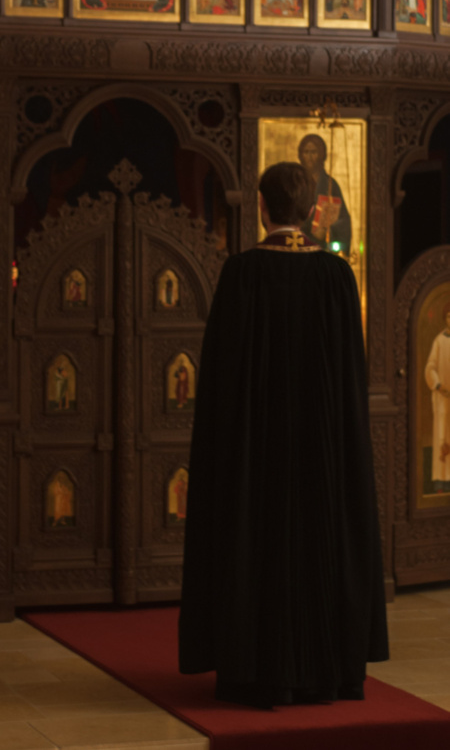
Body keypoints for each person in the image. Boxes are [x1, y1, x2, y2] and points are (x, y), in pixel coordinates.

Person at [179, 161, 388, 709]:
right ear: (313, 207)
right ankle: (329, 672)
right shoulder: (337, 275)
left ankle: (256, 671)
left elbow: (221, 382)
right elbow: (352, 379)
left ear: (263, 208)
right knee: (321, 547)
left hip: (258, 456)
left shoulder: (243, 274)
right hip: (324, 451)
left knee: (259, 547)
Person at [298, 133, 352, 255]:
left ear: (321, 155)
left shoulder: (330, 185)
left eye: (314, 152)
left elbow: (344, 220)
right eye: (306, 152)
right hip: (300, 247)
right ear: (301, 155)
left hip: (324, 250)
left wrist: (328, 231)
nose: (310, 157)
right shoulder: (296, 184)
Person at [424, 305, 450, 493]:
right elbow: (430, 368)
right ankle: (441, 482)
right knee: (442, 437)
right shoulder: (439, 341)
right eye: (449, 316)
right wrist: (439, 385)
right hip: (443, 399)